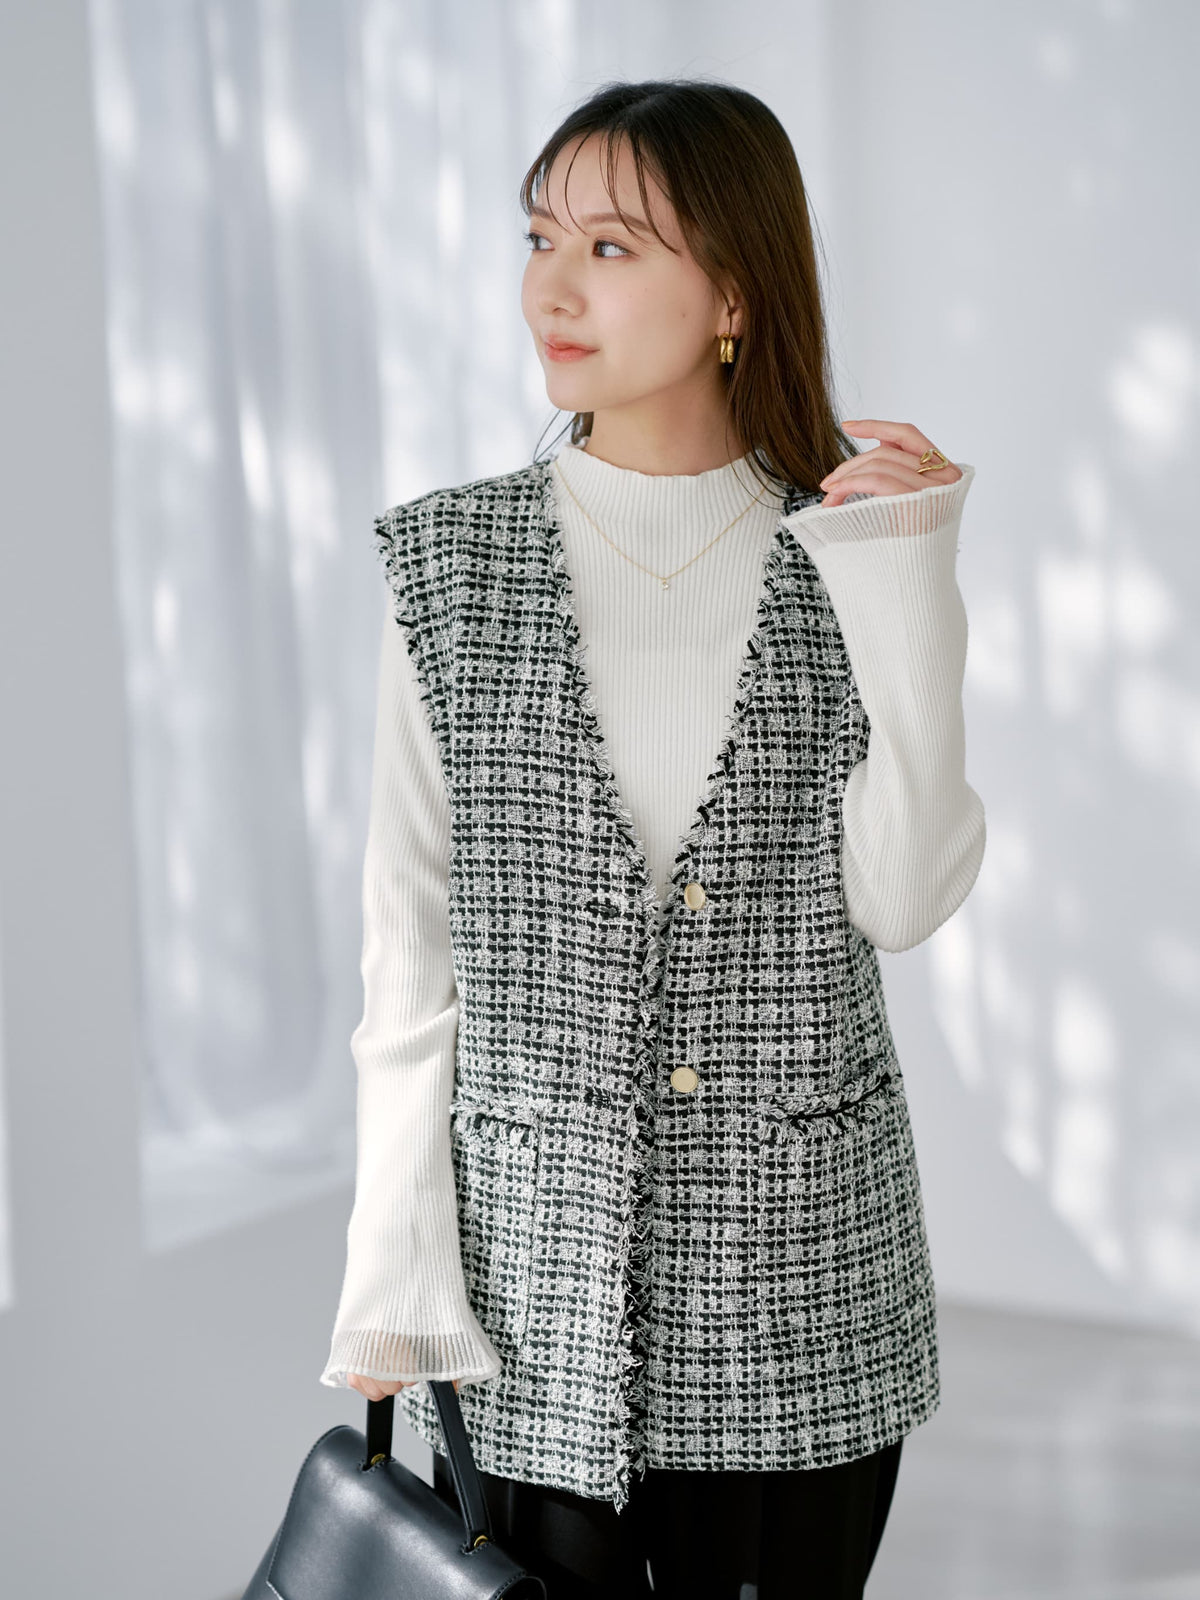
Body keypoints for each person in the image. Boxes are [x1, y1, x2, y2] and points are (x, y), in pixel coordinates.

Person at [320, 77, 985, 1599]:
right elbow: (408, 946)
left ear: (735, 293)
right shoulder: (451, 561)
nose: (551, 288)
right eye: (540, 238)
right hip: (532, 1303)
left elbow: (906, 893)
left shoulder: (851, 545)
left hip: (802, 1295)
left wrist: (910, 576)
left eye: (611, 248)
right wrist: (393, 1270)